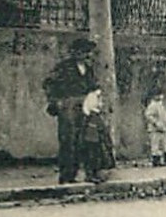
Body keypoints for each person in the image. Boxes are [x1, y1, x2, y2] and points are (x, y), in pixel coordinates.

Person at [44, 37, 98, 183]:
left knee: (87, 140)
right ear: (75, 52)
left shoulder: (88, 69)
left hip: (85, 107)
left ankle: (90, 173)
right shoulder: (63, 67)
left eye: (89, 52)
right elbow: (49, 84)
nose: (87, 55)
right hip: (68, 107)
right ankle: (67, 175)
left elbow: (93, 86)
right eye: (84, 51)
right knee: (68, 141)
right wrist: (56, 101)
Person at [79, 87, 115, 183]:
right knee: (92, 157)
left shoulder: (94, 116)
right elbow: (96, 129)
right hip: (92, 139)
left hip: (95, 139)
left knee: (96, 157)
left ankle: (95, 174)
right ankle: (91, 175)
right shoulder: (91, 117)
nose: (101, 103)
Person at [143, 87, 166, 167]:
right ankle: (156, 160)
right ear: (154, 96)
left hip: (163, 127)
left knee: (165, 143)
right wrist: (156, 123)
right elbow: (148, 115)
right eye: (158, 95)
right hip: (155, 129)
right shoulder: (152, 105)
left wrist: (165, 122)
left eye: (161, 95)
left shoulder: (160, 105)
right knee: (155, 145)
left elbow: (164, 115)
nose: (161, 96)